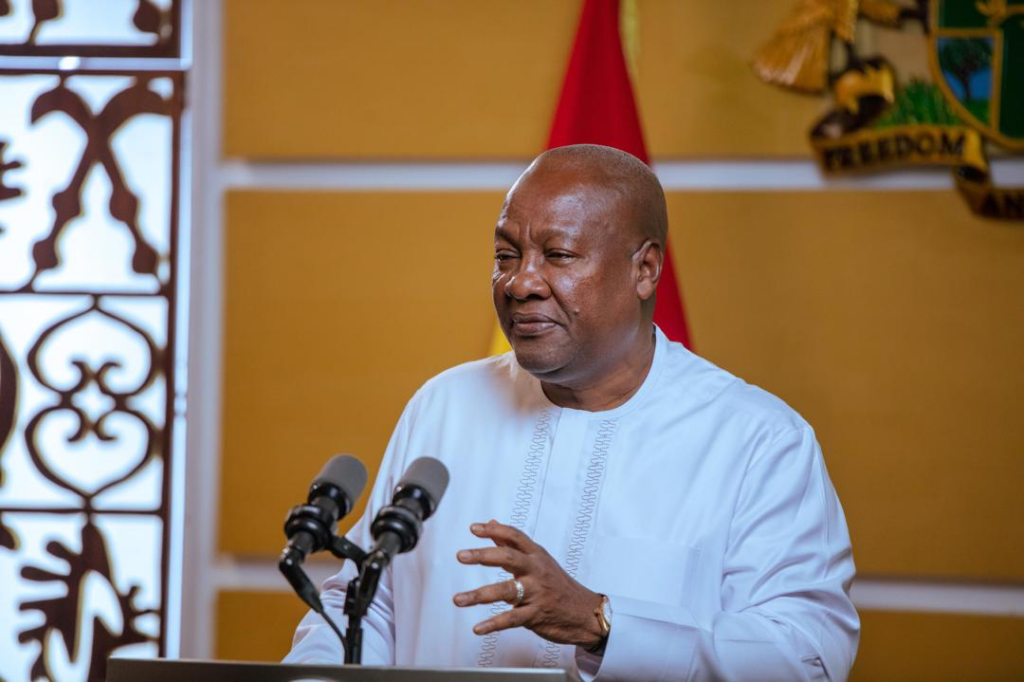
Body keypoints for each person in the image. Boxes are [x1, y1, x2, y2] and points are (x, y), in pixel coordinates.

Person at [285, 144, 859, 680]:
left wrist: (602, 624)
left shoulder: (758, 440)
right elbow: (366, 604)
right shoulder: (445, 405)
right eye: (506, 255)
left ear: (644, 269)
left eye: (557, 256)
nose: (520, 283)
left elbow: (807, 658)